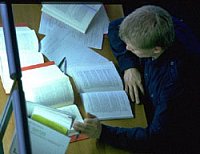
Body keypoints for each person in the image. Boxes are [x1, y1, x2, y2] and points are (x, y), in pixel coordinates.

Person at [73, 5, 200, 153]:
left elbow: (155, 138)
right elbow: (115, 27)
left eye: (133, 49)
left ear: (156, 49)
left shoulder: (173, 85)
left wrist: (102, 132)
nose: (126, 48)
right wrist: (129, 66)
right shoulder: (159, 21)